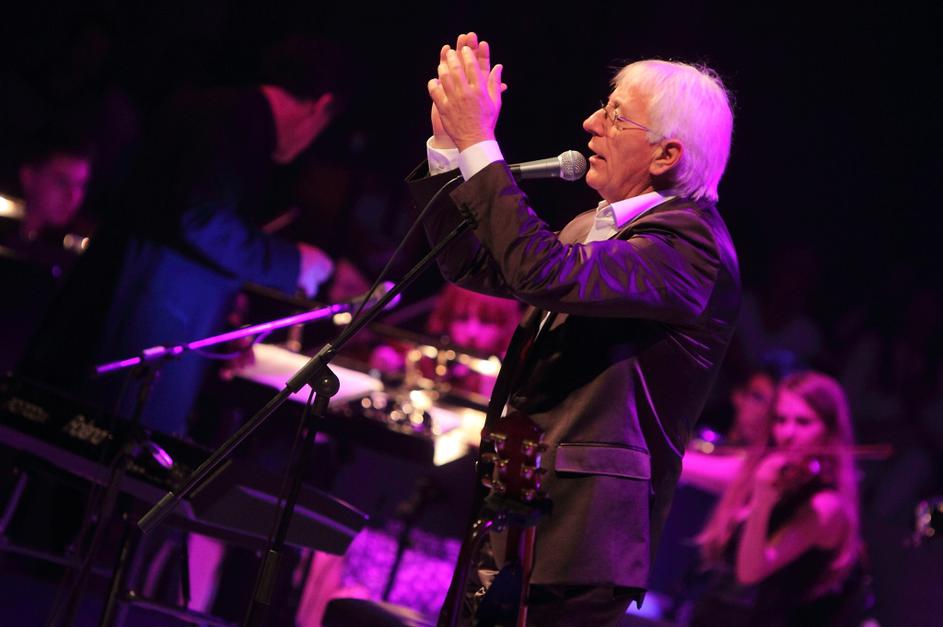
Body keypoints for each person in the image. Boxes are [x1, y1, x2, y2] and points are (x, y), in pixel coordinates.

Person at [409, 32, 740, 625]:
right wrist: (449, 149)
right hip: (516, 504)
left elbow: (541, 271)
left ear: (666, 155)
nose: (591, 124)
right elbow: (474, 263)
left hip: (581, 539)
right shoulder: (595, 226)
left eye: (615, 116)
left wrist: (481, 142)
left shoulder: (690, 247)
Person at [18, 38, 340, 437]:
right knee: (98, 457)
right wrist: (294, 262)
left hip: (126, 327)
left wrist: (225, 319)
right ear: (321, 106)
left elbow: (181, 227)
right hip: (134, 343)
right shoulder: (236, 119)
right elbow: (199, 220)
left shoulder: (217, 109)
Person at [691, 371, 865, 626]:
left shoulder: (826, 505)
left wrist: (762, 498)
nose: (787, 433)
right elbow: (689, 466)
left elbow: (750, 573)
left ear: (829, 430)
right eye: (781, 419)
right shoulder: (768, 473)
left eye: (803, 422)